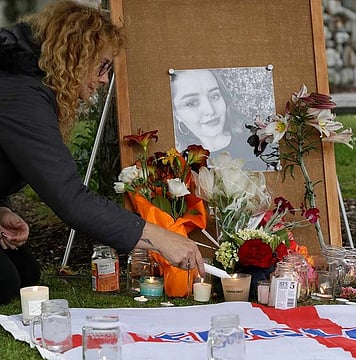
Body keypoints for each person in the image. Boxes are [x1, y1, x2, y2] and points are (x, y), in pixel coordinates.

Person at [0, 0, 204, 305]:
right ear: (75, 53)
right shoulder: (21, 93)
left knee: (25, 273)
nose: (104, 79)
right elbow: (69, 198)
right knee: (6, 284)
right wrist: (159, 238)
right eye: (103, 65)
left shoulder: (27, 82)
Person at [171, 69, 266, 170]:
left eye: (215, 96)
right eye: (191, 103)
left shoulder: (257, 143)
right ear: (176, 114)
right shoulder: (177, 163)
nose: (210, 110)